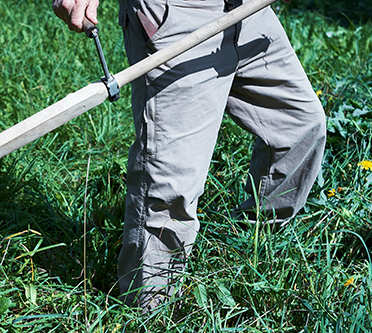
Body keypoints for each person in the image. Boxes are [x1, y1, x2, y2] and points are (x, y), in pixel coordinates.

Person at [53, 0, 326, 310]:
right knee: (170, 188)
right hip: (178, 14)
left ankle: (245, 249)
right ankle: (147, 320)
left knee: (300, 127)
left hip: (251, 10)